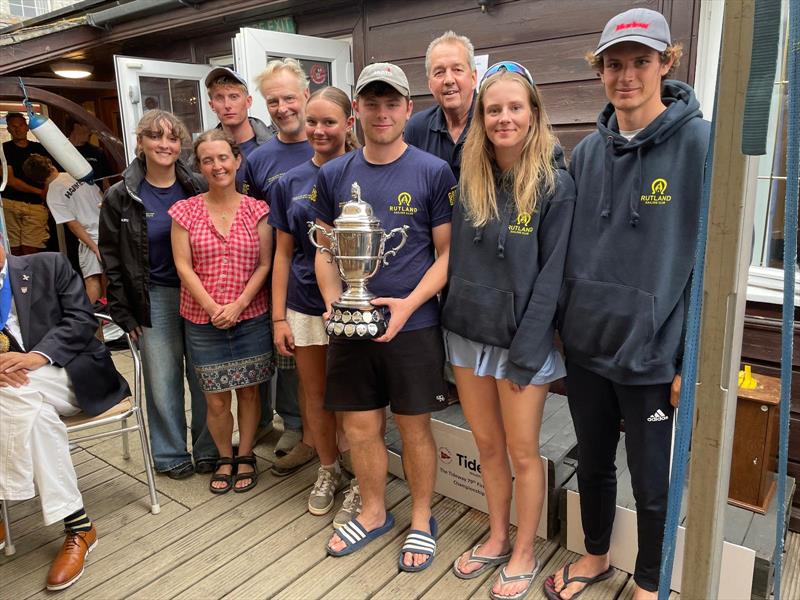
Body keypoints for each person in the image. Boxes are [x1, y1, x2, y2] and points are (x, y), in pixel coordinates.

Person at [546, 9, 710, 600]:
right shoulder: (586, 153)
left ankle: (648, 581)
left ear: (667, 63)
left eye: (641, 61)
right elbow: (568, 252)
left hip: (652, 353)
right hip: (589, 346)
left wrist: (690, 357)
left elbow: (713, 262)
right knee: (591, 464)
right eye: (614, 64)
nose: (627, 76)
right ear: (600, 71)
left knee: (651, 482)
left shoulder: (700, 142)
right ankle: (595, 557)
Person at [315, 63, 455, 571]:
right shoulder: (333, 174)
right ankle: (374, 512)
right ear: (357, 110)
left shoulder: (433, 171)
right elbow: (325, 250)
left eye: (391, 103)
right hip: (352, 324)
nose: (381, 113)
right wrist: (334, 302)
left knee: (415, 429)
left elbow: (446, 255)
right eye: (371, 103)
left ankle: (421, 519)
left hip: (412, 325)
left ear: (407, 109)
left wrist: (409, 306)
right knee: (359, 428)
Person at [443, 61, 574, 600]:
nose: (503, 117)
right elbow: (457, 263)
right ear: (480, 116)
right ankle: (498, 537)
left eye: (514, 107)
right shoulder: (468, 177)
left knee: (524, 454)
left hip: (522, 344)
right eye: (493, 109)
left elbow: (553, 279)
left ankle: (525, 549)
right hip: (467, 337)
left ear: (534, 112)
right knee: (488, 446)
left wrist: (527, 351)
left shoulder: (555, 186)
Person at [0, 241, 129, 591]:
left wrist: (36, 357)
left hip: (72, 376)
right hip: (18, 394)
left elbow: (81, 320)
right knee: (32, 411)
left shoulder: (48, 264)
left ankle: (4, 501)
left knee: (12, 394)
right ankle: (79, 525)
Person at [99, 109, 217, 480]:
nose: (164, 145)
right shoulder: (122, 195)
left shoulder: (197, 186)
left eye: (172, 138)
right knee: (162, 377)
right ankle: (169, 454)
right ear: (141, 142)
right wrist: (123, 312)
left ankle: (208, 447)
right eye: (155, 136)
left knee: (204, 375)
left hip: (198, 292)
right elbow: (111, 258)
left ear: (180, 144)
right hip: (153, 297)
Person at [270, 86, 358, 515]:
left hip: (360, 304)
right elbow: (282, 254)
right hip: (305, 306)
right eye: (313, 122)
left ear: (348, 123)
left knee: (359, 397)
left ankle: (362, 475)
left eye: (329, 121)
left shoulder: (368, 171)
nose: (320, 130)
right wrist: (278, 318)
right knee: (317, 394)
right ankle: (329, 468)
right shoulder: (289, 182)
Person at [170, 129, 273, 494]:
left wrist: (240, 304)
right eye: (208, 160)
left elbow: (265, 264)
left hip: (251, 315)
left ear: (237, 161)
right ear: (199, 167)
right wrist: (214, 307)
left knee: (248, 392)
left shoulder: (258, 210)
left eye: (223, 158)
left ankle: (245, 454)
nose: (217, 166)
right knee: (214, 398)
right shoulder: (184, 211)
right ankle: (223, 455)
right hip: (202, 318)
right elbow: (183, 266)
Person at [244, 58, 313, 471]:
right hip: (284, 277)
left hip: (337, 278)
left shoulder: (335, 139)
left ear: (305, 95)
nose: (283, 107)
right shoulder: (258, 159)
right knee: (294, 365)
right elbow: (251, 218)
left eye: (289, 97)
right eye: (274, 101)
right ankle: (300, 430)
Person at [22, 154, 106, 304]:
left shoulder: (53, 195)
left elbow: (73, 225)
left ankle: (86, 322)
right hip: (108, 228)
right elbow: (101, 195)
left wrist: (94, 248)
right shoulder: (76, 173)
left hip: (91, 236)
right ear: (50, 163)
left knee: (92, 281)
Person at [404, 31, 477, 181]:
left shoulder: (491, 123)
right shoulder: (417, 129)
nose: (449, 80)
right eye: (439, 72)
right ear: (430, 85)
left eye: (457, 69)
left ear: (474, 77)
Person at [205, 66, 273, 190]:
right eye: (219, 98)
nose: (227, 105)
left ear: (248, 101)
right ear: (212, 105)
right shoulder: (205, 152)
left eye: (234, 97)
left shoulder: (272, 145)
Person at [2, 112, 51, 255]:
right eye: (13, 126)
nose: (18, 129)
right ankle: (19, 277)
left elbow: (50, 174)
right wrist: (40, 192)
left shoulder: (40, 149)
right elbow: (11, 180)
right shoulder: (4, 149)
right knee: (14, 249)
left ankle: (33, 277)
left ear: (27, 127)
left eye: (21, 125)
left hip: (36, 206)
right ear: (9, 129)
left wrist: (46, 194)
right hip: (10, 203)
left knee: (32, 248)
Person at [65, 117, 112, 192]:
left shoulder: (98, 152)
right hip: (71, 201)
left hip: (96, 200)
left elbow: (105, 182)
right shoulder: (61, 151)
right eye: (88, 125)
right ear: (76, 126)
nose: (92, 130)